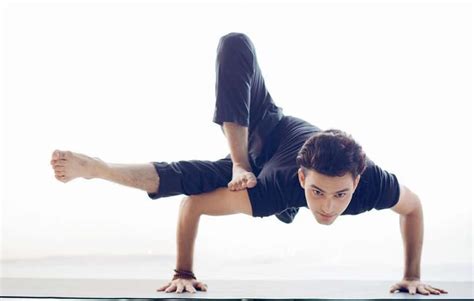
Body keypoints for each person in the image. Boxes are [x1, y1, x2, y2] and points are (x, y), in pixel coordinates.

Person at [50, 32, 448, 296]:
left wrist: (412, 275)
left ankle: (109, 168)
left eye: (341, 194)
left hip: (269, 168)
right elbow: (193, 204)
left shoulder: (373, 182)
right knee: (235, 43)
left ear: (358, 182)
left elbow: (413, 208)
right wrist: (183, 272)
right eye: (317, 193)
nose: (328, 206)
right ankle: (101, 169)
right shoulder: (277, 187)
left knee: (199, 175)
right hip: (266, 130)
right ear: (301, 178)